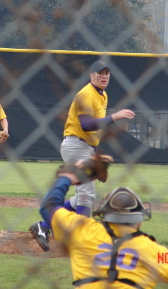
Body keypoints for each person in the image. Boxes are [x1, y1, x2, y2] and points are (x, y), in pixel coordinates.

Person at [39, 164, 168, 288]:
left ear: (103, 215)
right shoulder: (152, 250)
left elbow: (48, 206)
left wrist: (67, 177)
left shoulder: (82, 230)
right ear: (139, 218)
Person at [30, 60, 135, 251]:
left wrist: (95, 159)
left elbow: (94, 131)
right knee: (87, 194)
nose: (104, 76)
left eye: (107, 74)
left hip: (85, 147)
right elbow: (87, 124)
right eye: (100, 73)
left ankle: (43, 226)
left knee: (82, 197)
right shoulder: (85, 94)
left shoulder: (102, 95)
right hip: (75, 145)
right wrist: (115, 116)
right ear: (91, 76)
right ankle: (83, 241)